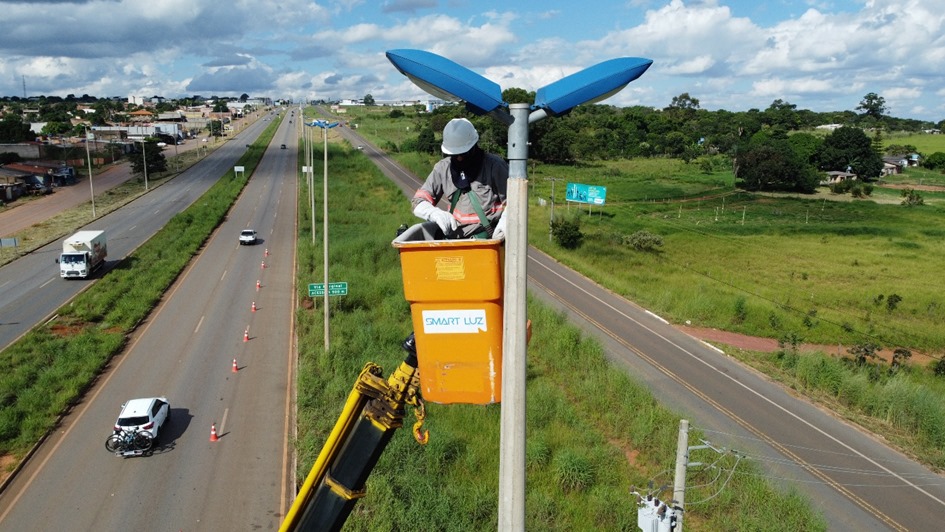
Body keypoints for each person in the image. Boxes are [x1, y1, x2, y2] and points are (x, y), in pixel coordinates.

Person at [411, 118, 509, 240]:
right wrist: (433, 213)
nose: (459, 159)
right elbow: (418, 201)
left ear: (474, 145)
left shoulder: (494, 166)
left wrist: (504, 225)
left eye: (463, 153)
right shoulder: (443, 168)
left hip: (485, 241)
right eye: (454, 155)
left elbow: (514, 204)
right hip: (454, 241)